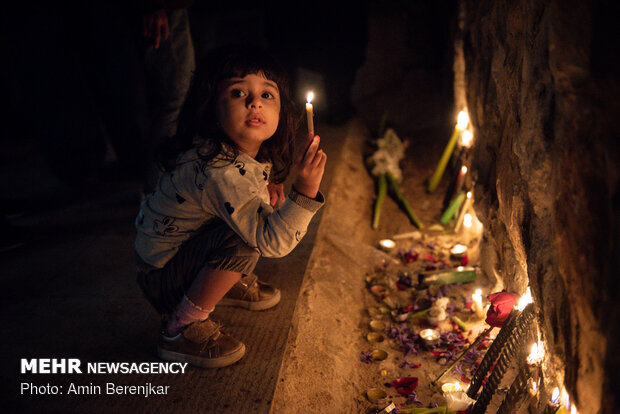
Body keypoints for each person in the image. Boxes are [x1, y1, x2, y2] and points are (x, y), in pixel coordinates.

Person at [134, 45, 327, 369]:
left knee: (246, 220)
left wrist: (269, 184)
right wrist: (306, 190)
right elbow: (272, 242)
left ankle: (222, 278)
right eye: (239, 93)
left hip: (173, 256)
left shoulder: (238, 153)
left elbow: (246, 189)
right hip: (162, 277)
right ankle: (179, 329)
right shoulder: (220, 171)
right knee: (246, 241)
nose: (254, 102)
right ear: (211, 107)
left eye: (267, 95)